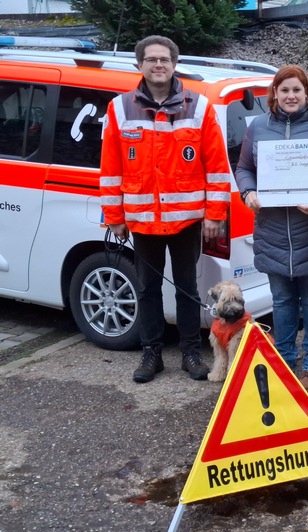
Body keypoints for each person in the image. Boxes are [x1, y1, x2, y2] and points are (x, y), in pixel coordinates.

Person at [100, 35, 231, 383]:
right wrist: (114, 217)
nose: (159, 64)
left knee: (187, 287)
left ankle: (191, 352)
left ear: (175, 64)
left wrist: (215, 215)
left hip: (187, 221)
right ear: (139, 65)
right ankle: (151, 353)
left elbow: (217, 166)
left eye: (165, 59)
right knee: (146, 289)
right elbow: (111, 169)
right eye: (151, 59)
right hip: (141, 222)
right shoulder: (120, 108)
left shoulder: (199, 107)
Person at [235, 65, 308, 393]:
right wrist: (248, 192)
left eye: (297, 90)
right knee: (282, 300)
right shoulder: (258, 127)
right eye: (284, 90)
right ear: (274, 94)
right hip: (272, 230)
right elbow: (244, 168)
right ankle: (283, 360)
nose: (291, 96)